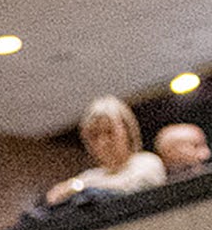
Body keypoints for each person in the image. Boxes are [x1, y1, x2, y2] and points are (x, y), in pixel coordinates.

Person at [20, 94, 166, 219]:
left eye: (109, 132)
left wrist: (79, 188)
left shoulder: (147, 162)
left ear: (127, 131)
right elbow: (54, 198)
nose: (103, 142)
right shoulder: (89, 177)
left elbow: (130, 192)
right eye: (94, 136)